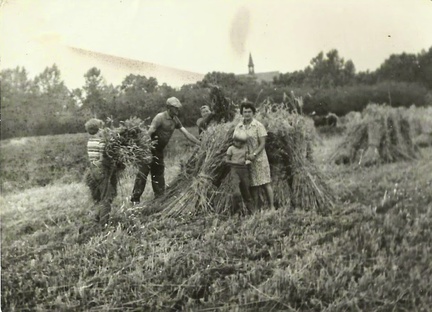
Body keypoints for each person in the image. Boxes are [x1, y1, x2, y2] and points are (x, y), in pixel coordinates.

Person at [131, 97, 200, 204]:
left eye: (178, 108)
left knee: (158, 173)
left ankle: (159, 199)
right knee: (142, 174)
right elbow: (150, 132)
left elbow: (186, 134)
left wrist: (200, 143)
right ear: (169, 108)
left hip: (159, 151)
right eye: (175, 108)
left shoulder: (175, 120)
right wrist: (142, 148)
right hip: (149, 149)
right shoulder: (160, 117)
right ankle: (135, 199)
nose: (178, 110)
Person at [233, 101, 275, 210]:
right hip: (246, 159)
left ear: (253, 113)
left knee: (265, 183)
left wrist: (254, 154)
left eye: (249, 112)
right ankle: (257, 210)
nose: (247, 114)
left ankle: (271, 207)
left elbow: (262, 143)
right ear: (242, 113)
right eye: (245, 112)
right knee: (253, 185)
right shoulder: (239, 126)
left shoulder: (258, 126)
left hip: (259, 158)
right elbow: (236, 141)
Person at [84, 118, 118, 227]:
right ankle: (104, 224)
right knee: (106, 197)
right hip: (101, 170)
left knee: (100, 196)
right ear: (99, 129)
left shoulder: (90, 141)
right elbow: (102, 157)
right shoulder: (101, 141)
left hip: (93, 170)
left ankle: (96, 218)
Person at [225, 135, 255, 214]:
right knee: (236, 193)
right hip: (234, 170)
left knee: (246, 192)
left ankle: (251, 212)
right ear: (234, 141)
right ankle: (236, 210)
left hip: (244, 170)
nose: (239, 144)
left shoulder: (245, 148)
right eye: (237, 142)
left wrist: (249, 159)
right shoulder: (231, 149)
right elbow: (226, 161)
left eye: (241, 142)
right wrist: (236, 162)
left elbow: (246, 158)